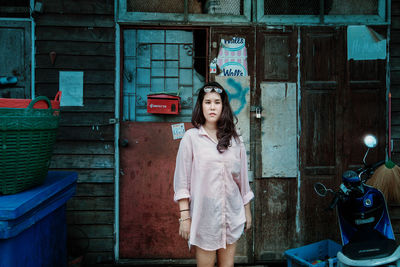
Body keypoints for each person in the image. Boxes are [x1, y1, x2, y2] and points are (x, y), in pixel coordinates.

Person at [173, 81, 254, 267]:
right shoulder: (191, 139)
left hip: (231, 214)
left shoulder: (235, 139)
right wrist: (184, 217)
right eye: (207, 102)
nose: (212, 107)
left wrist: (247, 212)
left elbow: (242, 180)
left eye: (217, 102)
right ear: (201, 106)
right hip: (205, 216)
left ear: (223, 106)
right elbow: (182, 182)